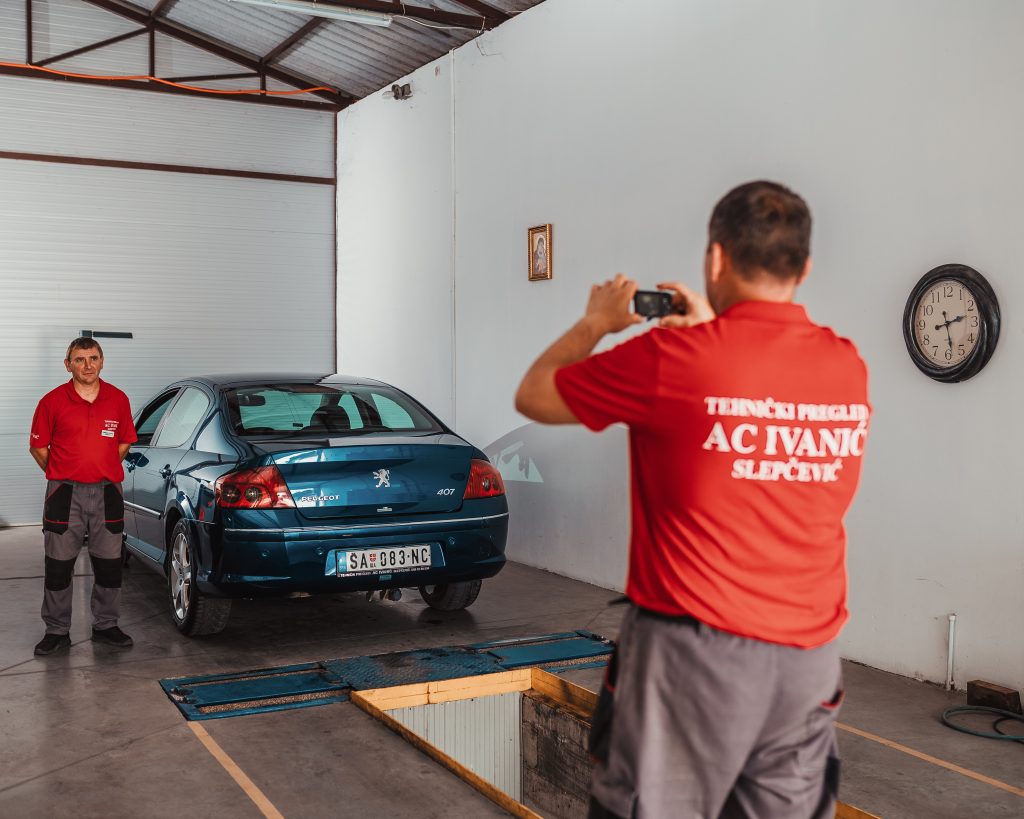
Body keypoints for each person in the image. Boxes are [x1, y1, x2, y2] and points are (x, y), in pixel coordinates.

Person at [515, 181, 870, 818]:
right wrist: (715, 333)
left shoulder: (671, 358)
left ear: (716, 258)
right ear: (804, 268)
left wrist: (597, 322)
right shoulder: (847, 366)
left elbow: (535, 393)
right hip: (808, 665)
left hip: (692, 659)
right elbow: (754, 395)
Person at [29, 337, 138, 655]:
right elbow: (38, 447)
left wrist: (101, 467)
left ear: (102, 362)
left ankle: (106, 625)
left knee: (109, 565)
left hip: (108, 492)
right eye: (79, 359)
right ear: (68, 365)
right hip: (64, 493)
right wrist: (63, 472)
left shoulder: (118, 399)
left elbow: (124, 441)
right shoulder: (51, 401)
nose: (87, 365)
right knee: (58, 565)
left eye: (93, 358)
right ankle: (56, 631)